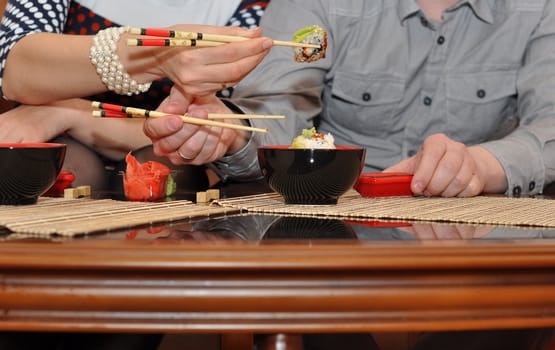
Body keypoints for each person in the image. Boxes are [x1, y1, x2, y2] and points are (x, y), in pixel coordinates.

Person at [143, 0, 555, 199]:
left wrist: (482, 165)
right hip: (333, 227)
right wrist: (232, 131)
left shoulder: (538, 9)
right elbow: (276, 114)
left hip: (479, 229)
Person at [0, 0, 272, 190]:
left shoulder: (250, 9)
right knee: (61, 168)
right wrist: (155, 53)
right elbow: (14, 68)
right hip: (47, 146)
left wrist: (68, 113)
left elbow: (201, 128)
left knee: (168, 174)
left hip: (164, 154)